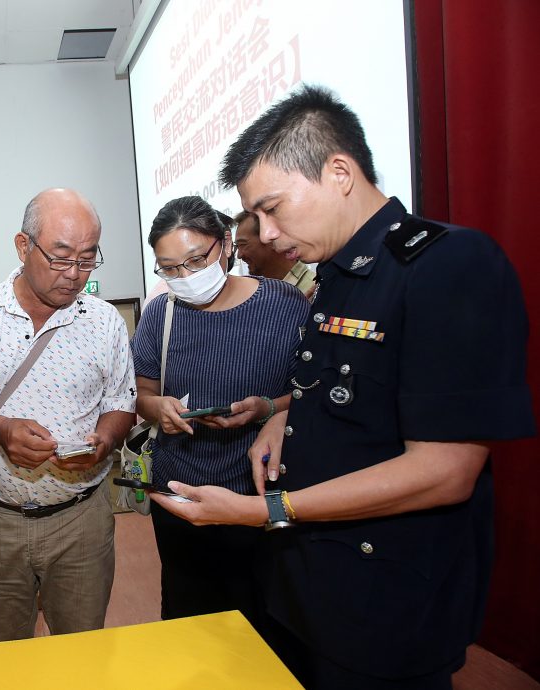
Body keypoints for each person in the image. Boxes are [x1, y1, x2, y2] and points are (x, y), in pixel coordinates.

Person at [154, 85, 534, 689]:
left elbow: (446, 469)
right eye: (257, 218)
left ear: (339, 172)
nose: (269, 234)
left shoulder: (448, 265)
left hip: (384, 599)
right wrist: (282, 419)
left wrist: (263, 510)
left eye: (274, 208)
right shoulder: (336, 276)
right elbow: (336, 390)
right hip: (308, 584)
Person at [0, 188, 136, 643]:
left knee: (82, 650)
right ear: (23, 246)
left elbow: (121, 401)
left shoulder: (103, 321)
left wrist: (103, 442)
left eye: (87, 259)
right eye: (61, 258)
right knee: (5, 655)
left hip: (81, 519)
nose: (75, 274)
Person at [131, 196, 308, 628]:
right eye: (169, 269)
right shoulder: (162, 314)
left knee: (265, 619)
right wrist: (161, 409)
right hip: (179, 493)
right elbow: (140, 393)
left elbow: (310, 393)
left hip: (258, 492)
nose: (184, 277)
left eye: (194, 261)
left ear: (226, 244)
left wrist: (267, 408)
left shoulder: (285, 305)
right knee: (191, 618)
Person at [234, 210, 316, 296]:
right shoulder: (257, 295)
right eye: (237, 246)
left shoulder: (315, 292)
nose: (239, 255)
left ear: (272, 240)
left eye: (243, 245)